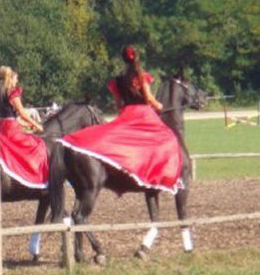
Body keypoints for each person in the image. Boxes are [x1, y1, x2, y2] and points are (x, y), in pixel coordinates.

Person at [57, 45, 184, 193]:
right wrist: (161, 106)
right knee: (167, 139)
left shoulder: (117, 81)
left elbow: (118, 105)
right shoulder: (142, 77)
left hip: (127, 114)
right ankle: (162, 176)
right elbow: (149, 99)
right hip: (144, 115)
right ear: (137, 57)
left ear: (123, 59)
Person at [0, 66, 48, 204]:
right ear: (11, 78)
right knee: (36, 145)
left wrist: (25, 125)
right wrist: (36, 125)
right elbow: (22, 113)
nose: (17, 81)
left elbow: (8, 116)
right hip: (10, 129)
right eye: (16, 78)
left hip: (0, 127)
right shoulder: (11, 91)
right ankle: (36, 178)